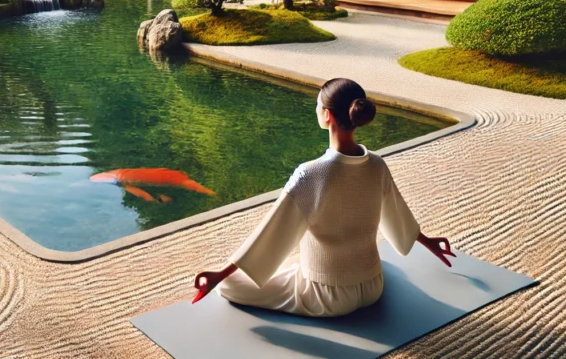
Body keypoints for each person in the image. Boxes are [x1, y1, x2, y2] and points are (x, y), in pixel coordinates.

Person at [193, 78, 455, 317]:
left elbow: (270, 233)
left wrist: (220, 275)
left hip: (327, 298)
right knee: (294, 260)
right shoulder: (377, 164)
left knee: (230, 285)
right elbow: (398, 215)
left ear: (327, 115)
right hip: (373, 285)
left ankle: (257, 280)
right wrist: (427, 241)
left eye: (317, 105)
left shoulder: (310, 174)